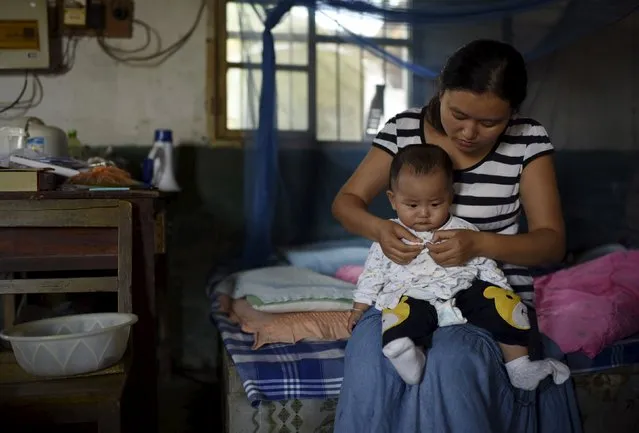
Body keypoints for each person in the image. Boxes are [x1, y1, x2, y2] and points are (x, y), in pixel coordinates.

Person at [332, 39, 582, 433]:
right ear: (440, 90)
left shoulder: (528, 140)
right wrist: (380, 229)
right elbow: (345, 203)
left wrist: (480, 244)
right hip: (405, 293)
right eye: (458, 114)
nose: (468, 133)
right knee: (370, 351)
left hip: (486, 302)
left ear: (512, 113)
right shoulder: (404, 130)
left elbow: (551, 242)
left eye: (489, 123)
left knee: (453, 361)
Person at [347, 144, 570, 390]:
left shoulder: (463, 229)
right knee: (398, 316)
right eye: (412, 205)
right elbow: (373, 274)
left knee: (505, 306)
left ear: (450, 196)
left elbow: (485, 263)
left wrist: (502, 290)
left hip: (464, 289)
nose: (424, 213)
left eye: (435, 204)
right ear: (393, 200)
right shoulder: (389, 235)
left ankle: (519, 366)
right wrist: (359, 307)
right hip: (413, 294)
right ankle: (412, 358)